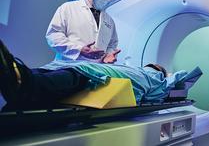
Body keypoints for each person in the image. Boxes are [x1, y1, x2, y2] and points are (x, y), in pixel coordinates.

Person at [0, 40, 193, 110]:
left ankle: (23, 80)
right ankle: (16, 72)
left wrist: (167, 75)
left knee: (80, 73)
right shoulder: (136, 68)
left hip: (96, 71)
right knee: (71, 69)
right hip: (88, 63)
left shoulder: (156, 78)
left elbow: (178, 78)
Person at [46, 0, 120, 64]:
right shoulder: (68, 8)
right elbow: (53, 35)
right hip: (68, 66)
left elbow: (112, 44)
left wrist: (107, 55)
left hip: (96, 71)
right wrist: (79, 50)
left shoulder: (109, 21)